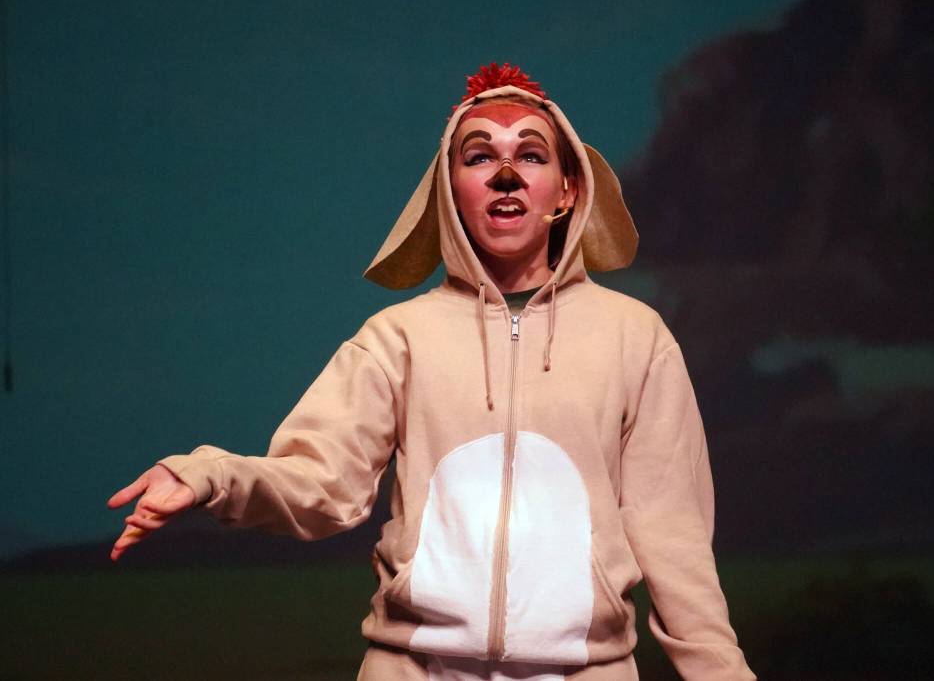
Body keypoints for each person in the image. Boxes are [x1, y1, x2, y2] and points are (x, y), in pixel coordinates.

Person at [108, 63, 756, 680]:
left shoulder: (634, 338)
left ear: (568, 189)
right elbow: (319, 483)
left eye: (530, 154)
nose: (506, 172)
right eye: (479, 156)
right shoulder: (397, 339)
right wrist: (205, 475)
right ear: (450, 190)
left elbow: (672, 532)